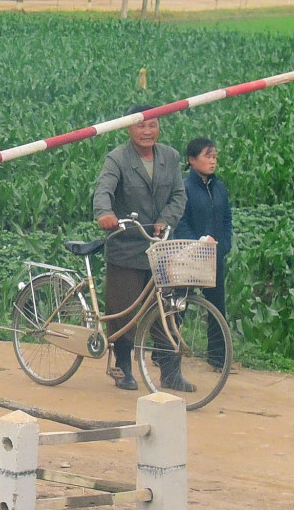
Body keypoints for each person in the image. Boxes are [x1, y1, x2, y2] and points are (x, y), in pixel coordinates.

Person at [90, 108, 187, 391]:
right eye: (141, 126)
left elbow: (179, 195)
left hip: (159, 246)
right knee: (124, 310)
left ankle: (171, 372)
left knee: (167, 307)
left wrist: (165, 220)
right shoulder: (118, 159)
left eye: (153, 125)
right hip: (127, 244)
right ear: (129, 129)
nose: (147, 131)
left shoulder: (170, 157)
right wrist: (105, 213)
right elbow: (103, 190)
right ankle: (122, 367)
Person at [172, 136, 232, 371]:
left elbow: (227, 219)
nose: (213, 161)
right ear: (191, 160)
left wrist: (223, 245)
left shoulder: (219, 187)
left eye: (215, 156)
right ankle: (165, 352)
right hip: (189, 257)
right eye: (207, 156)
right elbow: (181, 222)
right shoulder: (184, 188)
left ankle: (218, 358)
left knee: (217, 306)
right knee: (179, 304)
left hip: (214, 257)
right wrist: (197, 245)